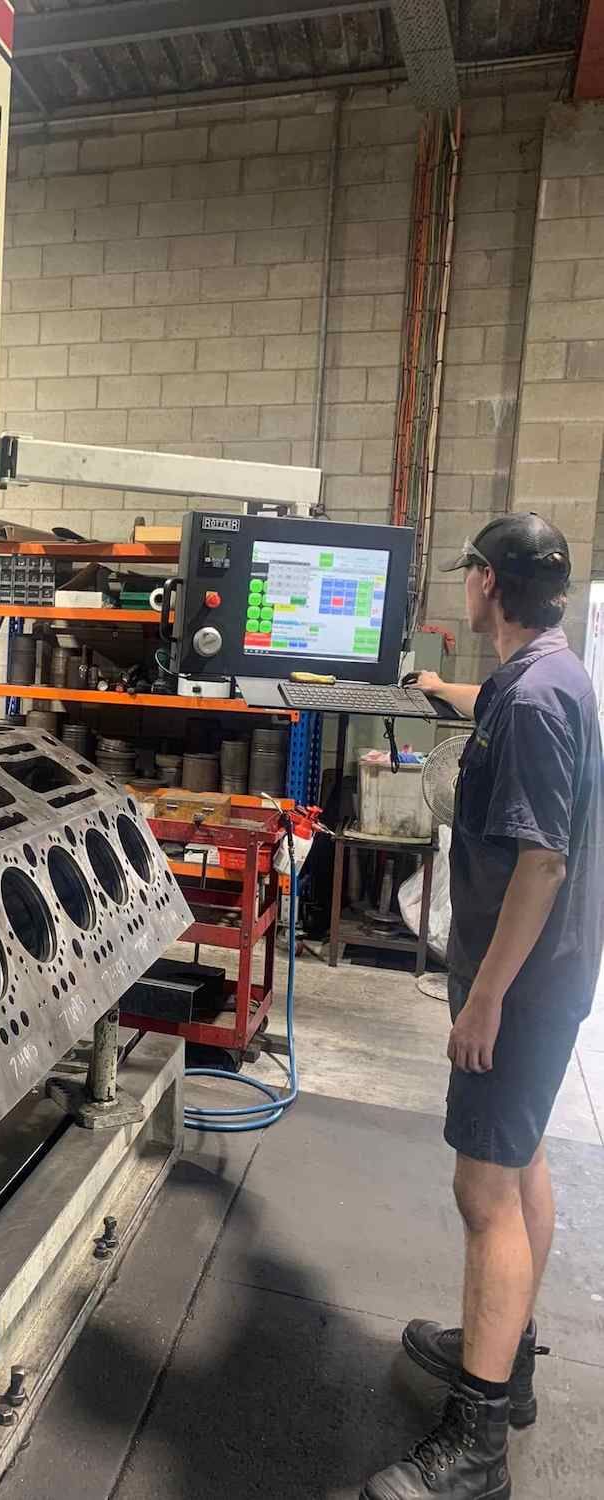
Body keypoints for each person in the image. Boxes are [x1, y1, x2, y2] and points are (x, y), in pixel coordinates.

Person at [361, 513, 604, 1500]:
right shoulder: (542, 672)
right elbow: (490, 701)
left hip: (528, 982)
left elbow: (541, 864)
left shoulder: (540, 697)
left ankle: (474, 1449)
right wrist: (426, 688)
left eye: (469, 573)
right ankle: (509, 1354)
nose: (465, 586)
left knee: (482, 1194)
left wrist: (485, 1002)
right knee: (522, 1156)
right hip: (544, 974)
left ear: (488, 585)